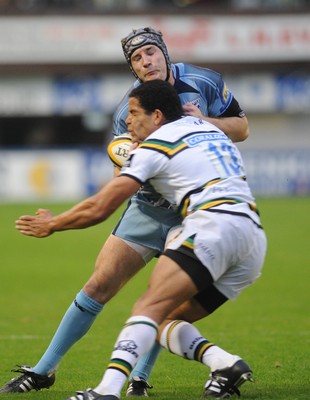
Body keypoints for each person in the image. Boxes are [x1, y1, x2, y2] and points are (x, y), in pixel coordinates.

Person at [0, 27, 249, 397]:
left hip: (193, 211)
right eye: (136, 58)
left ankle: (140, 380)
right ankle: (43, 370)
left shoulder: (204, 81)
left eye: (150, 52)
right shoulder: (128, 110)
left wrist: (204, 121)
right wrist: (131, 160)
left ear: (164, 52)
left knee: (160, 298)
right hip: (149, 209)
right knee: (98, 284)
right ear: (131, 67)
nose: (146, 61)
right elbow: (122, 175)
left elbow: (242, 128)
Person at [61, 80, 266, 400]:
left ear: (157, 116)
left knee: (148, 307)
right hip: (252, 239)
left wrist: (53, 223)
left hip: (213, 226)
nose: (127, 122)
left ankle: (107, 390)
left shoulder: (157, 144)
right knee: (165, 320)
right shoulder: (204, 126)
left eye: (133, 113)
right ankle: (224, 364)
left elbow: (102, 207)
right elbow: (233, 130)